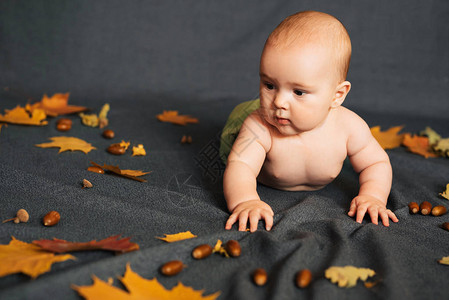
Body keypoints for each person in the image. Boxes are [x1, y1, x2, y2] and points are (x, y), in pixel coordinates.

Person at [222, 11, 398, 232]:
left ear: (337, 95)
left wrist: (372, 196)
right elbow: (241, 166)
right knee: (233, 140)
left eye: (298, 92)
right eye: (269, 85)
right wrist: (245, 200)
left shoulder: (349, 127)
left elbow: (376, 163)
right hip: (247, 124)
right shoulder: (259, 126)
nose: (279, 102)